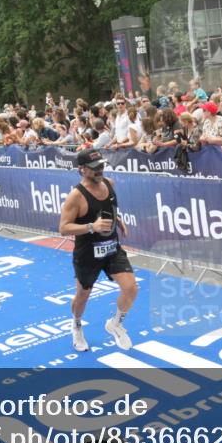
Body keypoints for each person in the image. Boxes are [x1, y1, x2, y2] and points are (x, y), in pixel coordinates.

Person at [58, 149, 137, 353]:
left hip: (111, 249)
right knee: (83, 295)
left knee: (131, 289)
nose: (99, 171)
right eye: (94, 168)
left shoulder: (109, 184)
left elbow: (109, 208)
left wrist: (117, 220)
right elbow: (64, 228)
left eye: (101, 166)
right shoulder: (76, 196)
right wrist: (91, 227)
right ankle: (76, 325)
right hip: (87, 253)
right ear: (82, 170)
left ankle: (116, 323)